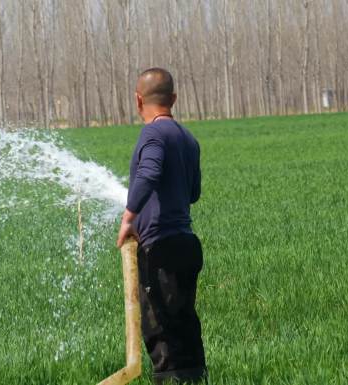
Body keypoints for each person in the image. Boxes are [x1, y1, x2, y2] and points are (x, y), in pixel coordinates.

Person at [116, 68, 207, 384]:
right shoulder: (188, 138)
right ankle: (197, 379)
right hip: (186, 244)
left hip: (161, 249)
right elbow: (193, 193)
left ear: (138, 100)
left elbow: (150, 173)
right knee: (183, 323)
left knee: (160, 328)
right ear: (175, 98)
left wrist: (129, 218)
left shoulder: (152, 134)